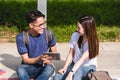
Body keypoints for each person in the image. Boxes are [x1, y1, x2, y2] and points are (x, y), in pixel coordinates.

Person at [53, 16, 99, 80]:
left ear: (87, 29)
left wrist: (70, 74)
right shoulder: (75, 35)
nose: (77, 29)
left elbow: (81, 60)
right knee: (58, 77)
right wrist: (65, 68)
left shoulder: (93, 42)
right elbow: (71, 54)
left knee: (77, 71)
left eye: (79, 28)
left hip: (88, 67)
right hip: (74, 65)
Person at [16, 10, 57, 80]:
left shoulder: (49, 34)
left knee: (50, 68)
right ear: (31, 25)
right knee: (20, 69)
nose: (43, 27)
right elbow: (26, 60)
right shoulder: (21, 37)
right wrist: (39, 58)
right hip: (28, 66)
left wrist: (48, 60)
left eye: (44, 23)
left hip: (43, 66)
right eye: (40, 25)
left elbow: (54, 53)